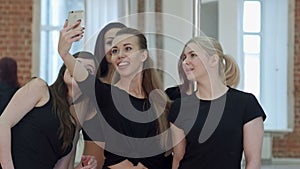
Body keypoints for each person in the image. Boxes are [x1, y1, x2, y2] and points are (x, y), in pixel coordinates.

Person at [58, 20, 173, 169]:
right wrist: (65, 53)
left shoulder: (161, 102)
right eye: (115, 51)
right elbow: (84, 77)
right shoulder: (106, 95)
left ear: (143, 55)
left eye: (128, 48)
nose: (120, 55)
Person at [169, 36, 266, 169]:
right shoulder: (179, 107)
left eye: (193, 55)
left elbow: (253, 162)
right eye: (184, 57)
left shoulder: (246, 104)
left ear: (214, 60)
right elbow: (178, 158)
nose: (185, 61)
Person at [0, 51, 98, 169]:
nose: (78, 71)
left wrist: (82, 167)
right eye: (76, 64)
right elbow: (3, 123)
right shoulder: (40, 88)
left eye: (88, 70)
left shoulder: (74, 125)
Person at [82, 22, 126, 169]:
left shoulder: (136, 91)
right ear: (101, 47)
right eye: (110, 42)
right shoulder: (90, 88)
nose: (116, 47)